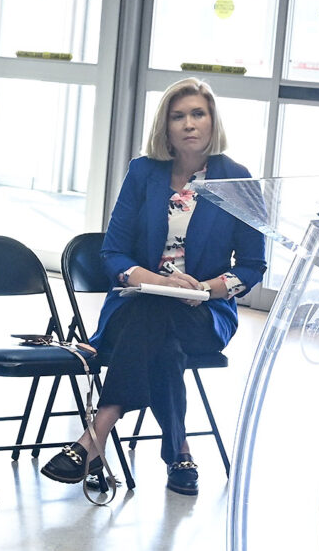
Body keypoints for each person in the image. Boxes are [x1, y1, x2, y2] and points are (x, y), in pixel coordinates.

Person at [42, 79, 263, 497]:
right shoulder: (144, 172)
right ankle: (177, 449)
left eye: (198, 114)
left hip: (205, 311)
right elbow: (113, 255)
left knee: (158, 325)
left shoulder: (238, 179)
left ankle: (96, 433)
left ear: (213, 120)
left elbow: (253, 267)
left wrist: (201, 288)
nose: (189, 124)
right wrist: (161, 283)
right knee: (160, 332)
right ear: (165, 125)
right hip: (136, 302)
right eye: (178, 116)